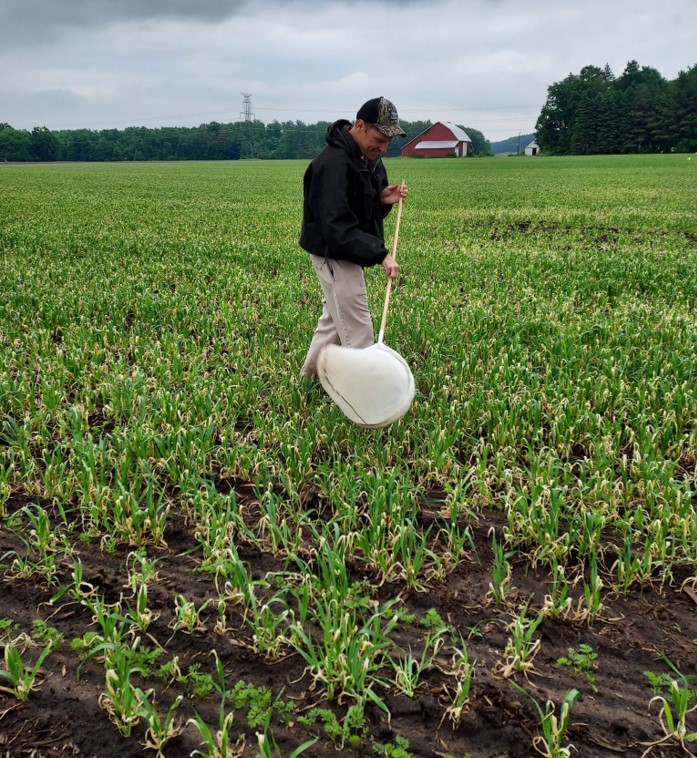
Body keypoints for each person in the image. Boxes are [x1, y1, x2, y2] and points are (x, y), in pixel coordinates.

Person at [298, 96, 408, 379]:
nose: (383, 148)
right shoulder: (332, 164)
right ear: (359, 126)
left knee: (334, 324)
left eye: (388, 142)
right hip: (333, 253)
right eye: (379, 139)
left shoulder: (370, 159)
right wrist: (379, 253)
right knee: (358, 330)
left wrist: (383, 200)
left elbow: (362, 211)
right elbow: (336, 227)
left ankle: (308, 382)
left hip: (348, 250)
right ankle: (367, 401)